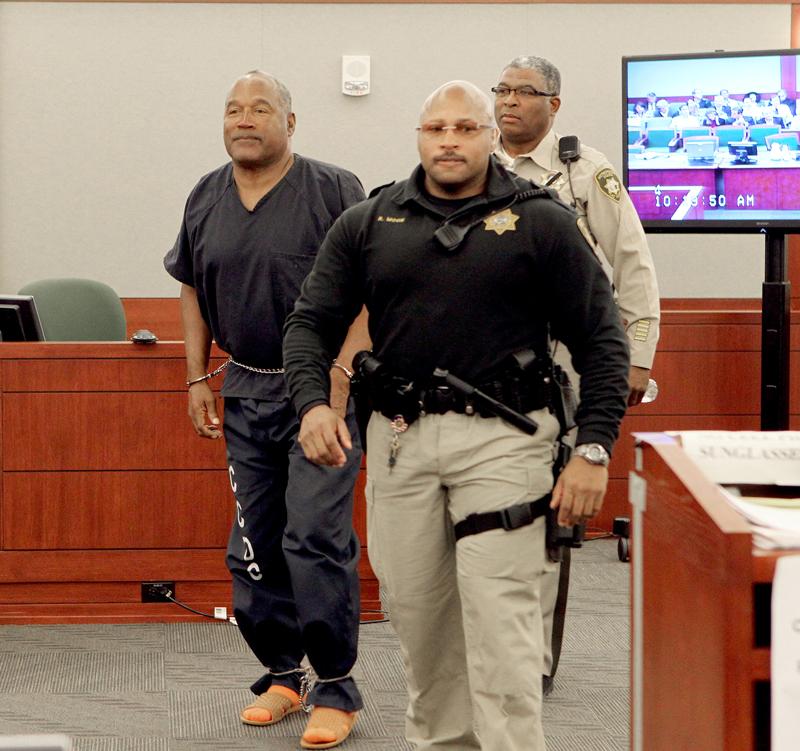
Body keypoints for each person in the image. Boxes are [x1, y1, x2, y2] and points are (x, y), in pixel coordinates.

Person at [283, 80, 630, 751]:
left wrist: (594, 447)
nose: (449, 140)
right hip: (399, 443)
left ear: (490, 136)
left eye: (465, 128)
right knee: (422, 624)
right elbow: (309, 322)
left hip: (508, 440)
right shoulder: (370, 220)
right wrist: (312, 404)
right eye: (435, 128)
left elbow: (602, 338)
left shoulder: (541, 220)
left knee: (502, 627)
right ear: (417, 135)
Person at [163, 70, 368, 750]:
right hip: (245, 389)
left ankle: (336, 684)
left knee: (313, 535)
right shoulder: (204, 195)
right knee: (253, 544)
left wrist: (337, 388)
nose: (244, 119)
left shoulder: (334, 189)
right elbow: (191, 287)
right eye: (233, 110)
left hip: (321, 396)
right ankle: (284, 673)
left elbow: (370, 296)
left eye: (260, 109)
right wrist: (197, 378)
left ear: (291, 122)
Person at [491, 55, 660, 694]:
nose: (509, 102)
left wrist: (637, 355)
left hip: (562, 364)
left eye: (524, 92)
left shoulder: (585, 172)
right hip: (484, 366)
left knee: (545, 507)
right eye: (501, 90)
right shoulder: (471, 164)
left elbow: (633, 265)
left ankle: (532, 658)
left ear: (553, 104)